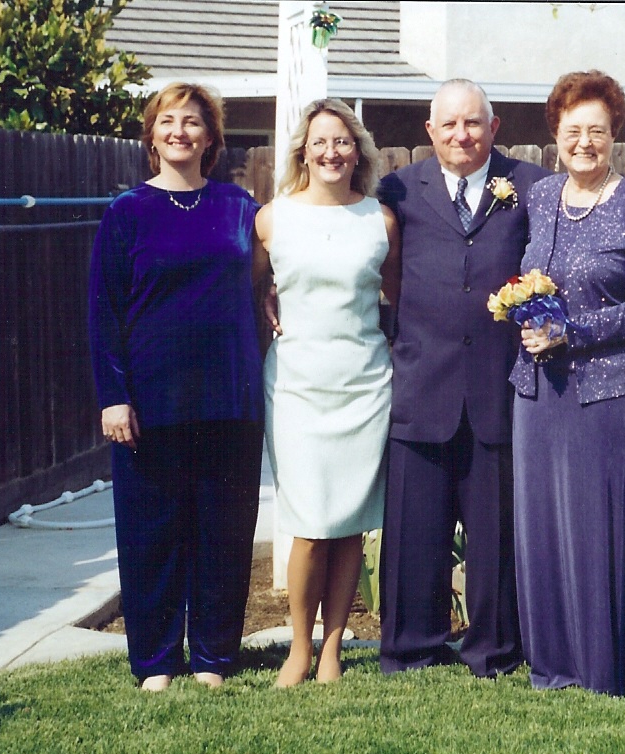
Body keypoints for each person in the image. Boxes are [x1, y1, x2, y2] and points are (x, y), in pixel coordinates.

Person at [512, 70, 625, 694]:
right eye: (572, 130)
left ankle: (619, 661)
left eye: (598, 131)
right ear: (554, 134)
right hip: (538, 394)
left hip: (612, 392)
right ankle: (555, 661)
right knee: (547, 527)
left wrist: (572, 333)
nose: (584, 142)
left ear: (615, 136)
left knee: (606, 525)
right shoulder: (539, 197)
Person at [88, 82, 262, 691]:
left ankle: (214, 658)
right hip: (150, 401)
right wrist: (113, 395)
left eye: (193, 122)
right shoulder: (126, 212)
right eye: (168, 121)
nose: (180, 131)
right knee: (150, 535)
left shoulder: (239, 206)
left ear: (211, 138)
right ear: (152, 134)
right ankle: (157, 662)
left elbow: (267, 281)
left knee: (223, 532)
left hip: (229, 398)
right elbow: (104, 310)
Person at [377, 79, 550, 677]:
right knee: (413, 530)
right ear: (430, 132)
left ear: (494, 128)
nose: (461, 135)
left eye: (473, 123)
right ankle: (411, 648)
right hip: (421, 381)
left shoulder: (529, 186)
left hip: (497, 386)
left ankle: (493, 649)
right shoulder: (398, 188)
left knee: (495, 533)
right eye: (448, 125)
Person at [254, 99, 400, 687]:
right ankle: (298, 647)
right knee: (310, 521)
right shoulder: (273, 218)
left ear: (357, 151)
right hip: (296, 387)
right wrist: (268, 302)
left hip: (364, 384)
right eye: (320, 141)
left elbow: (397, 299)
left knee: (349, 524)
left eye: (342, 141)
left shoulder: (380, 221)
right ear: (302, 150)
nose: (331, 152)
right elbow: (256, 288)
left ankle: (334, 648)